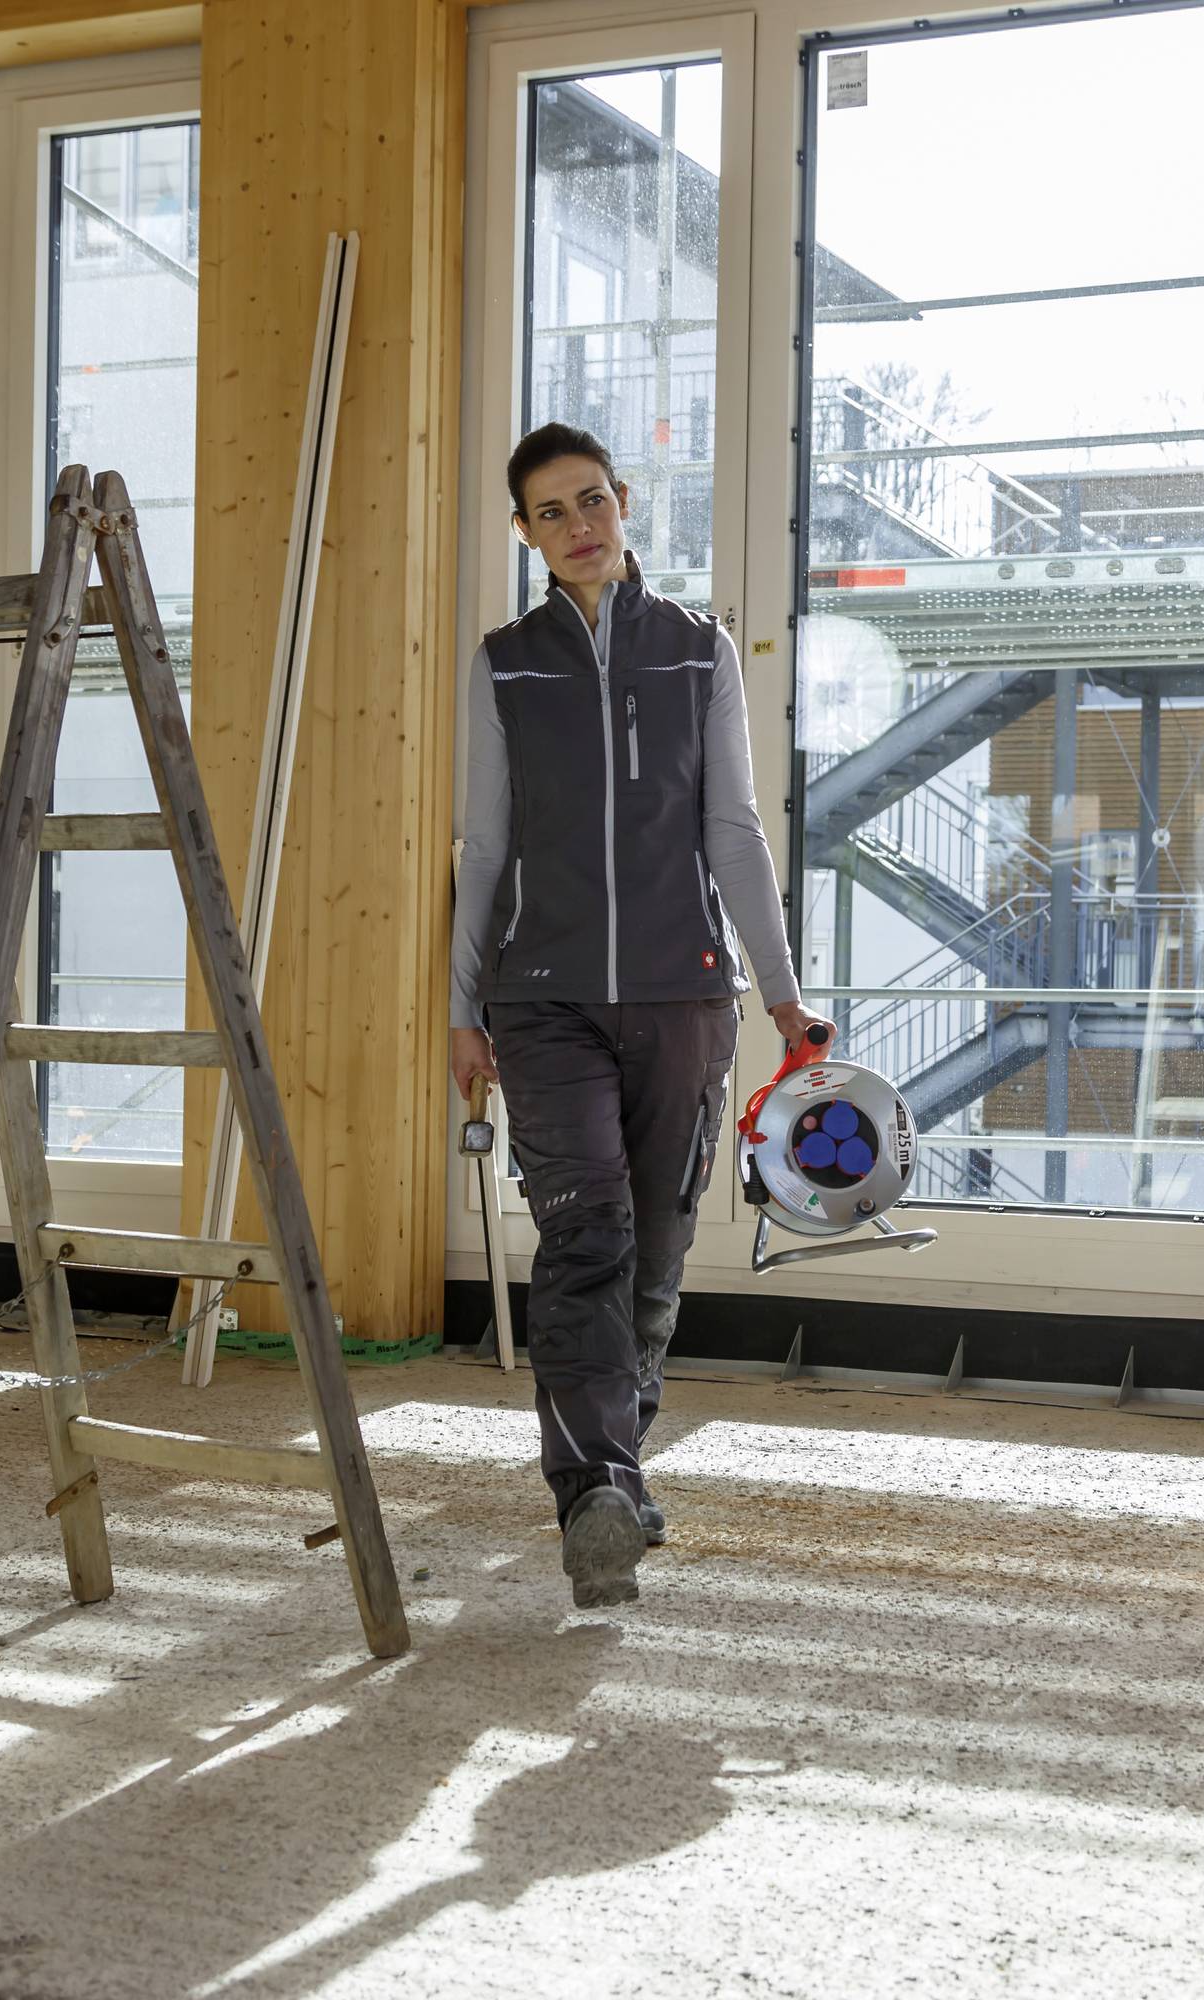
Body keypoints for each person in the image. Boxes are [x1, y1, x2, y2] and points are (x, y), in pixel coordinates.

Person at [450, 422, 823, 1610]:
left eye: (593, 500)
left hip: (681, 991)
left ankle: (622, 1460)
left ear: (625, 506)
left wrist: (783, 989)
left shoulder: (698, 650)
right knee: (585, 1234)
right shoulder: (504, 662)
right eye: (551, 512)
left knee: (655, 1255)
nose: (579, 525)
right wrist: (463, 1004)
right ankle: (595, 1488)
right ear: (525, 534)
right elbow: (487, 847)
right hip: (543, 996)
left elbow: (734, 831)